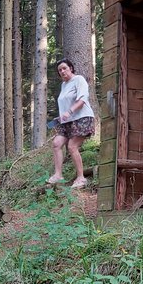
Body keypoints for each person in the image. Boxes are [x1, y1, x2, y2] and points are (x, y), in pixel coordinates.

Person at [48, 58, 95, 189]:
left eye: (64, 68)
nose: (62, 71)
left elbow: (82, 100)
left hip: (83, 118)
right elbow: (66, 104)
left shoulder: (79, 80)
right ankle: (58, 175)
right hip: (66, 121)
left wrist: (69, 111)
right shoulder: (63, 85)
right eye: (59, 70)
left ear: (71, 68)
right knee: (56, 144)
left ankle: (81, 178)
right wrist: (61, 115)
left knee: (72, 146)